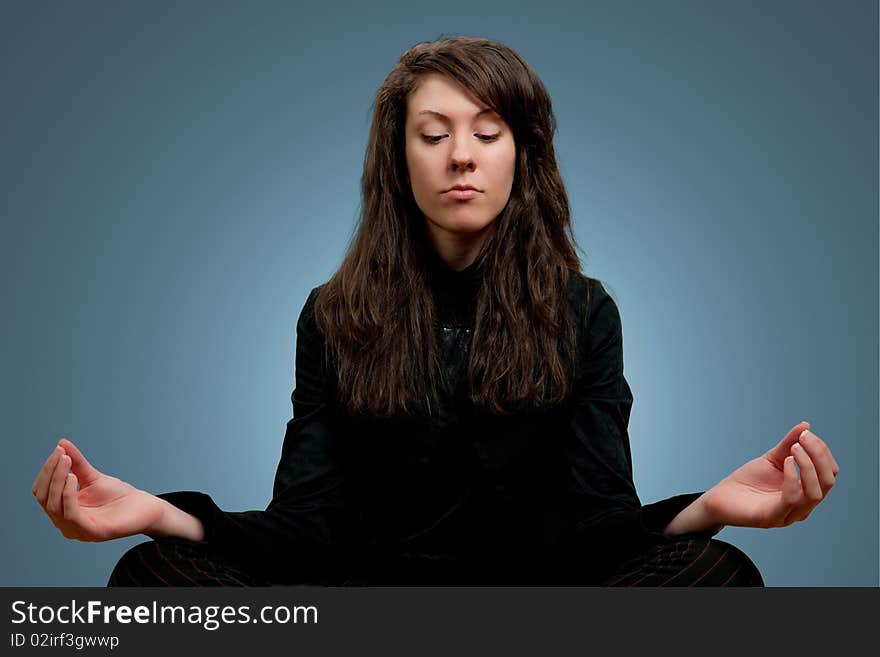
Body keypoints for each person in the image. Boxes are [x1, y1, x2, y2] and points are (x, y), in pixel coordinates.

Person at [32, 36, 839, 587]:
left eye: (488, 132)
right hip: (361, 599)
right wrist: (165, 516)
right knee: (147, 576)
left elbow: (598, 526)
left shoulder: (584, 311)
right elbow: (305, 526)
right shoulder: (333, 314)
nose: (461, 153)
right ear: (400, 156)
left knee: (721, 573)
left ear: (522, 156)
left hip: (541, 606)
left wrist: (708, 509)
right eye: (435, 132)